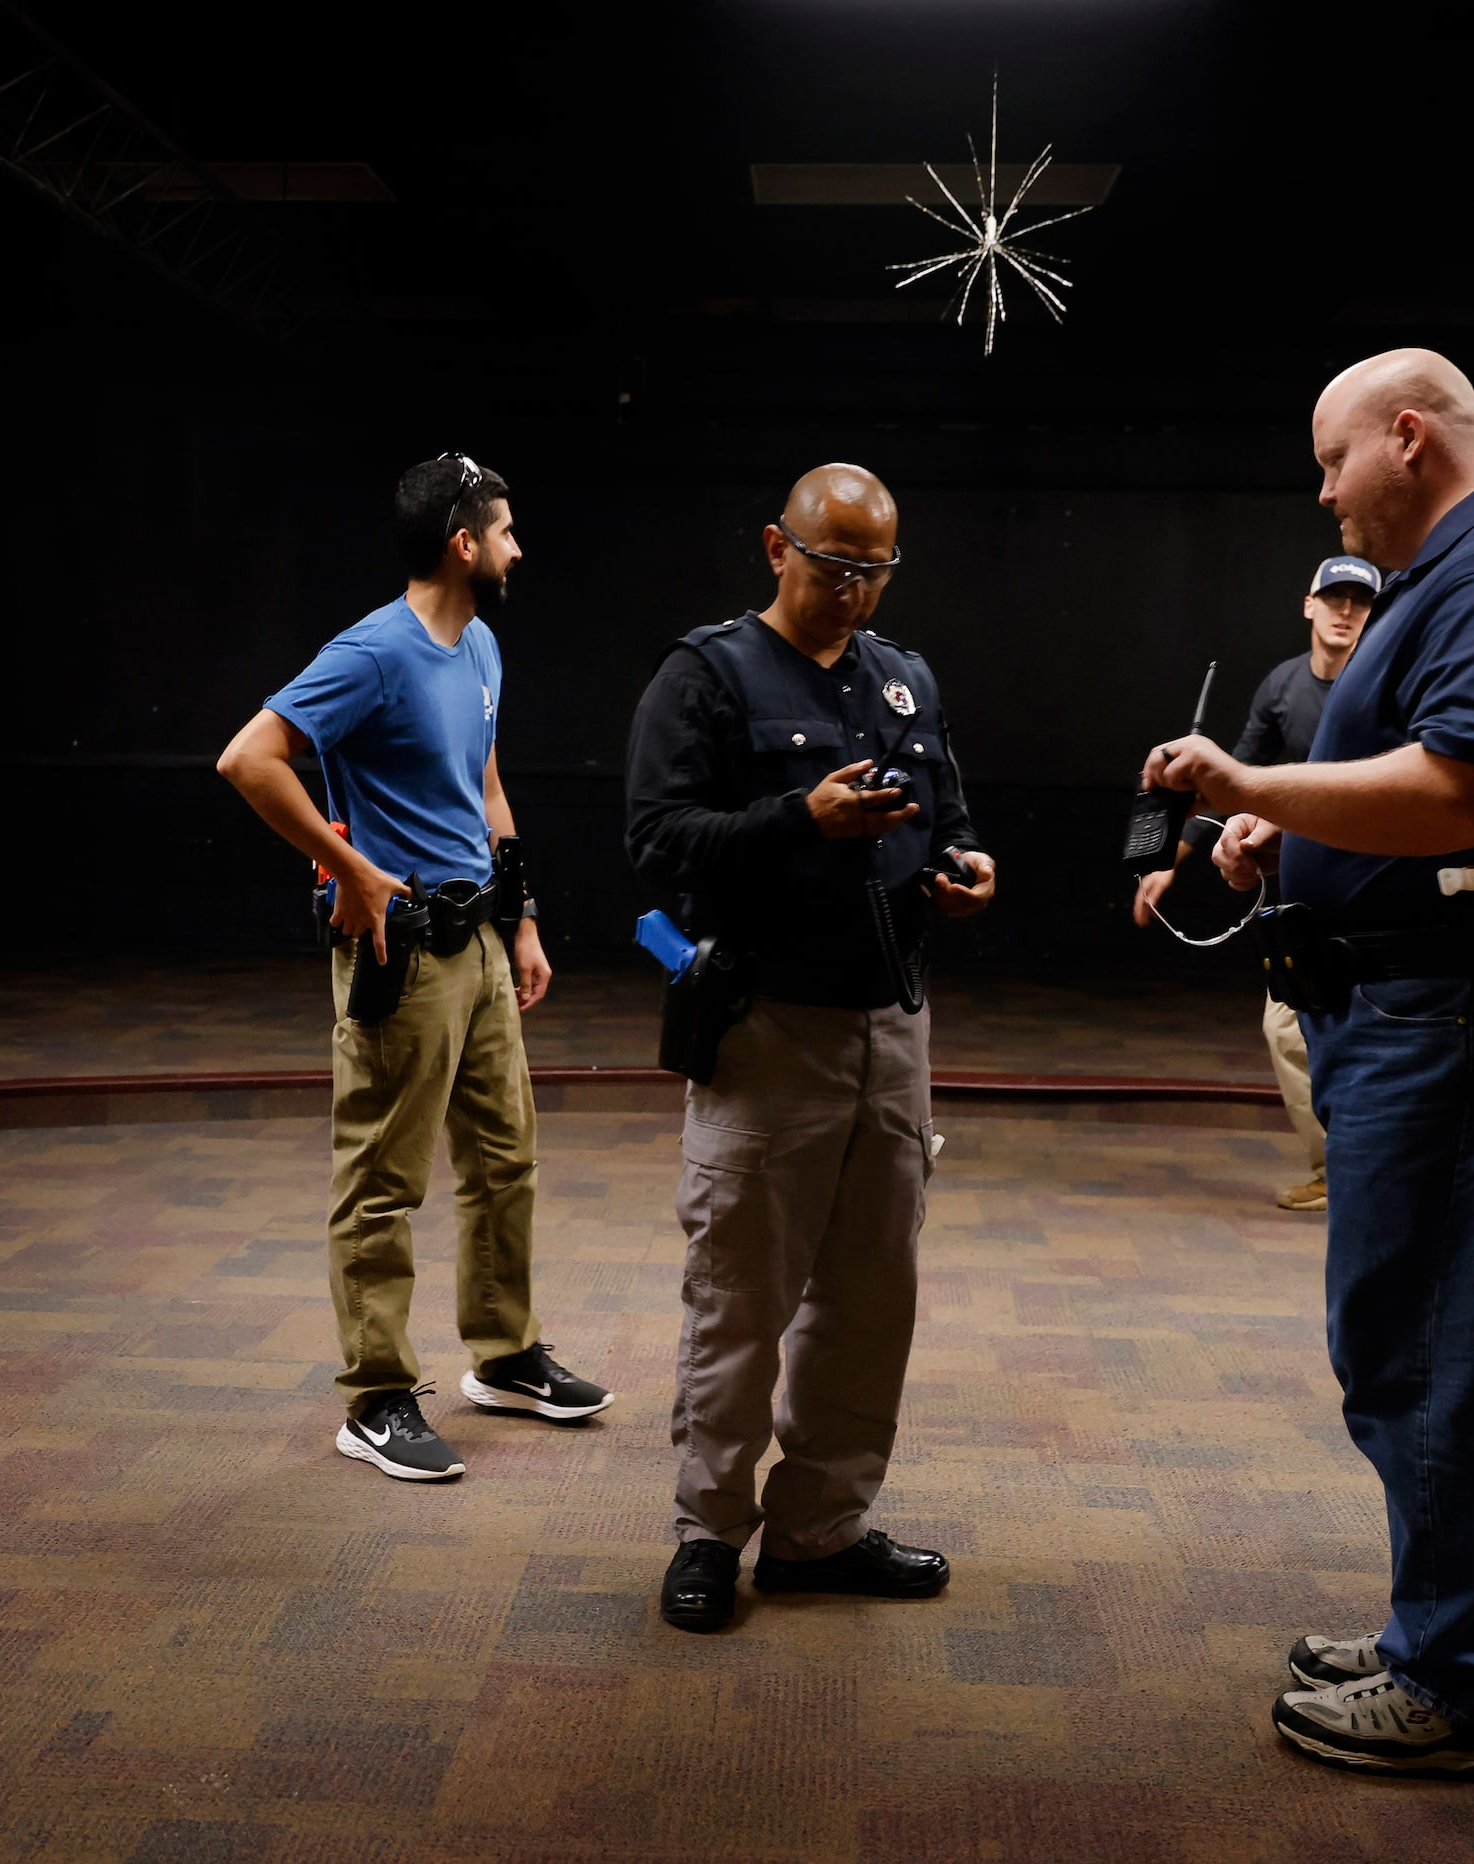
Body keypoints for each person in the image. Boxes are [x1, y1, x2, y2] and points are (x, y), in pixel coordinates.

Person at [1146, 350, 1474, 1783]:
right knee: (1471, 1343)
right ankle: (1456, 1629)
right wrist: (1290, 834)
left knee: (1421, 1347)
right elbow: (1421, 780)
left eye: (1331, 459)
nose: (1320, 491)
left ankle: (1461, 1681)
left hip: (1464, 1023)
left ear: (1407, 437)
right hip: (1449, 1013)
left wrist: (1247, 786)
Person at [624, 462, 997, 1634]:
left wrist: (965, 871)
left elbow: (951, 815)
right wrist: (800, 817)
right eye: (832, 566)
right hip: (767, 1030)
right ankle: (706, 1532)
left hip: (891, 1028)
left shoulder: (903, 681)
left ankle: (820, 1529)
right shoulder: (709, 676)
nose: (852, 593)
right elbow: (657, 841)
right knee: (737, 1298)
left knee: (869, 1298)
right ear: (775, 547)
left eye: (873, 572)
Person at [216, 453, 612, 1487]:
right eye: (506, 529)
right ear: (460, 542)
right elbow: (248, 759)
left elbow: (482, 783)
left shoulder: (477, 643)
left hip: (478, 943)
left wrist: (520, 920)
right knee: (382, 1180)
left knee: (504, 1159)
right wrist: (348, 868)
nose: (519, 547)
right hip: (401, 952)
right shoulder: (372, 653)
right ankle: (376, 1397)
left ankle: (504, 1355)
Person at [1132, 553, 1379, 1210]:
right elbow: (1233, 776)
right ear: (1309, 605)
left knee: (1361, 1029)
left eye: (1359, 602)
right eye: (1335, 599)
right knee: (1285, 1027)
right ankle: (1338, 1171)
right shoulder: (1282, 685)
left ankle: (1369, 1171)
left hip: (1372, 887)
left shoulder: (1381, 686)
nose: (1345, 612)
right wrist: (1168, 860)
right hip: (1299, 886)